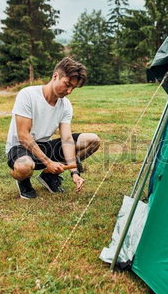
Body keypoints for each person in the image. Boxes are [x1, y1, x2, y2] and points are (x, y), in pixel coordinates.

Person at [6, 57, 100, 199]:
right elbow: (23, 136)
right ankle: (22, 180)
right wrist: (48, 162)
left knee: (92, 140)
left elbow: (67, 139)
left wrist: (74, 172)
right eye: (67, 84)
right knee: (24, 167)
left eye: (73, 88)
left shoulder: (65, 105)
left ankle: (48, 176)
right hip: (21, 147)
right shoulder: (28, 95)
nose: (69, 91)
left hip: (45, 146)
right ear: (55, 76)